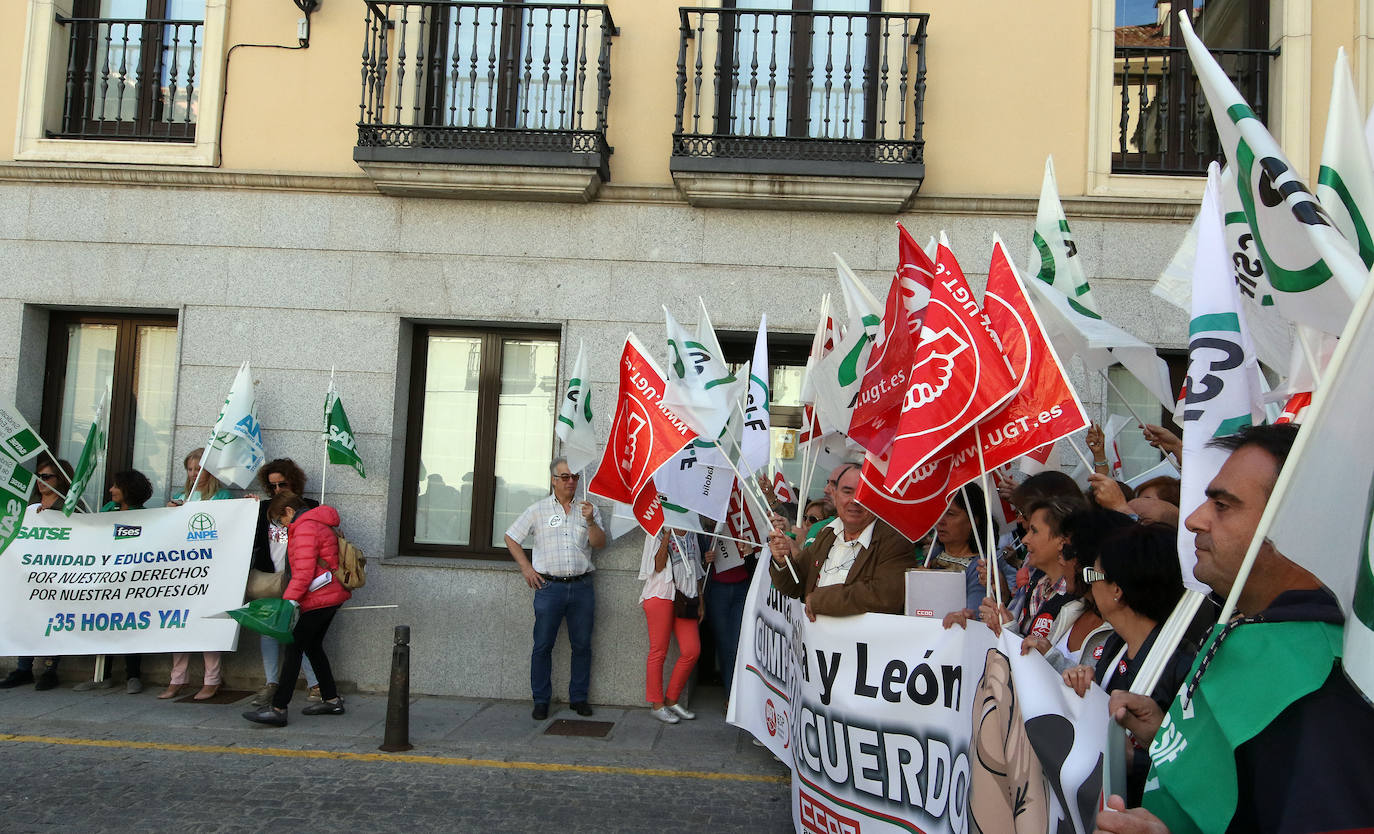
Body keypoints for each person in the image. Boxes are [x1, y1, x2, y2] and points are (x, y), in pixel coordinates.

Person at [1096, 424, 1374, 834]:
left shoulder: (1323, 683)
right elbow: (1246, 782)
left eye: (1223, 505)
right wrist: (1169, 737)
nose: (1192, 520)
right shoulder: (1260, 629)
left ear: (1298, 525)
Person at [1061, 523, 1191, 807]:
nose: (1090, 583)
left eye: (1093, 574)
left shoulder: (1180, 667)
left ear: (1117, 588)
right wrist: (1083, 690)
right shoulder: (1115, 645)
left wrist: (1135, 761)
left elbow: (1193, 764)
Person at [504, 458, 605, 720]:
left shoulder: (588, 510)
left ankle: (579, 698)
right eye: (565, 477)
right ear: (553, 480)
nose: (571, 481)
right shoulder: (537, 510)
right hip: (549, 588)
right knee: (543, 645)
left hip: (581, 587)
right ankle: (541, 699)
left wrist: (592, 520)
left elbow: (600, 543)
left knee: (582, 645)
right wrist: (527, 568)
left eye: (575, 477)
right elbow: (511, 537)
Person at [242, 491, 350, 726]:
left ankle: (279, 708)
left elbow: (303, 572)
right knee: (312, 646)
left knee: (293, 648)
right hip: (332, 594)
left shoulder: (303, 528)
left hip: (317, 597)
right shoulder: (320, 522)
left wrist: (289, 601)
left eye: (280, 520)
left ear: (289, 511)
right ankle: (331, 700)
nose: (281, 525)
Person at [767, 464, 916, 619]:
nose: (855, 500)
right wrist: (782, 561)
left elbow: (887, 596)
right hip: (816, 641)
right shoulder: (827, 533)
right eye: (847, 492)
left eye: (864, 492)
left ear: (876, 497)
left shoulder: (895, 541)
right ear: (835, 495)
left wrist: (820, 601)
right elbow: (795, 585)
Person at [247, 459, 323, 707]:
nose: (278, 490)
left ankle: (315, 683)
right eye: (273, 486)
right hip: (268, 577)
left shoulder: (309, 507)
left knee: (297, 632)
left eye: (282, 484)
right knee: (268, 631)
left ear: (294, 482)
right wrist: (244, 508)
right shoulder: (263, 508)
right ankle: (272, 683)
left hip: (298, 579)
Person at [1019, 508, 1132, 674]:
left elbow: (1107, 694)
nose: (1060, 558)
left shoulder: (1123, 628)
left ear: (1089, 560)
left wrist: (1053, 658)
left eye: (1066, 551)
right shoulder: (1071, 609)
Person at [160, 448, 232, 701]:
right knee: (179, 624)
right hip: (182, 572)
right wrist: (170, 512)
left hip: (211, 571)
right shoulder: (181, 496)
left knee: (208, 624)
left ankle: (212, 679)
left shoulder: (222, 497)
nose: (194, 474)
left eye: (199, 469)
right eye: (190, 469)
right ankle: (177, 678)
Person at [77, 470, 154, 693]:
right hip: (107, 579)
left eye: (116, 486)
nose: (111, 491)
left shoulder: (146, 516)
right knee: (104, 624)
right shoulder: (108, 511)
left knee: (130, 624)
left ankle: (133, 675)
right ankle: (102, 675)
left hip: (132, 581)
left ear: (129, 489)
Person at [0, 459, 74, 691]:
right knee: (26, 616)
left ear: (59, 479)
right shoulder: (29, 504)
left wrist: (53, 516)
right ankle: (24, 668)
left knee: (52, 617)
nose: (41, 482)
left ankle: (51, 669)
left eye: (47, 477)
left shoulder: (69, 505)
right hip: (27, 572)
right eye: (39, 477)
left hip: (55, 571)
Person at [639, 528, 703, 724]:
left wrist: (701, 601)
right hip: (661, 595)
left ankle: (672, 699)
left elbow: (697, 569)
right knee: (658, 651)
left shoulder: (692, 532)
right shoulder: (655, 531)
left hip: (685, 598)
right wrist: (666, 535)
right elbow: (657, 566)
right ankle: (657, 705)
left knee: (692, 650)